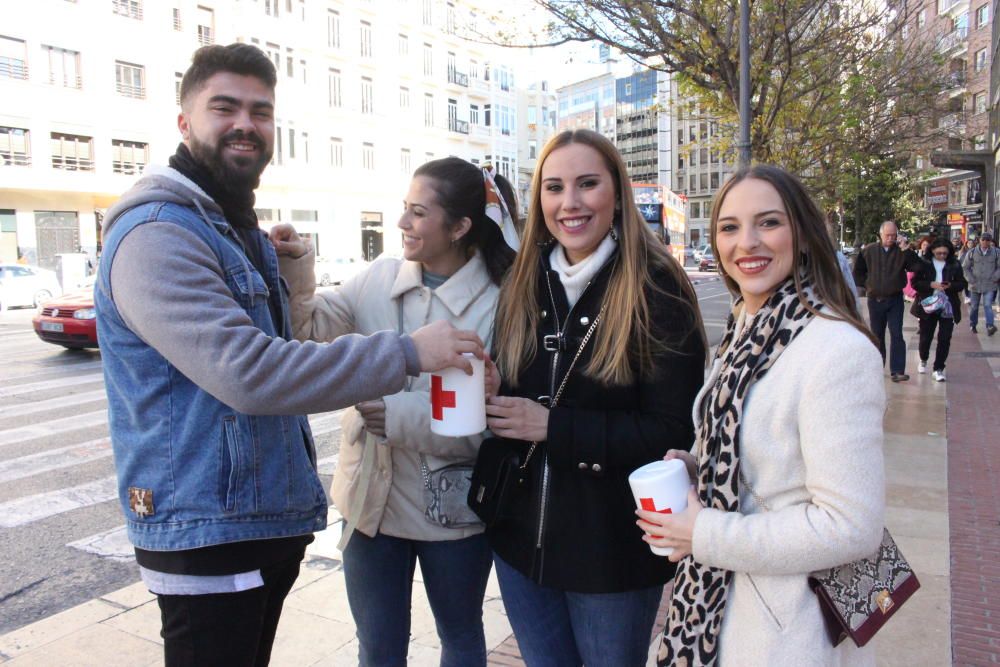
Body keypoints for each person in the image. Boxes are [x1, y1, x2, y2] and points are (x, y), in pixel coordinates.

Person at [93, 44, 483, 667]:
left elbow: (284, 345)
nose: (246, 123)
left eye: (261, 110)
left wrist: (287, 265)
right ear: (184, 120)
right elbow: (253, 371)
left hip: (260, 523)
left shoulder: (229, 226)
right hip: (207, 532)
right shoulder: (158, 233)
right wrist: (409, 353)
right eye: (225, 106)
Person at [270, 158, 516, 666]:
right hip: (370, 507)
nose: (402, 223)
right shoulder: (378, 279)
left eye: (418, 213)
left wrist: (398, 414)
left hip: (454, 515)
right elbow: (308, 331)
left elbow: (492, 421)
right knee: (378, 649)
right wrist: (297, 267)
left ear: (461, 226)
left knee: (462, 638)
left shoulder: (499, 303)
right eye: (404, 209)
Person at [641, 165, 885, 666]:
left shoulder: (835, 349)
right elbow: (760, 458)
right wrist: (699, 467)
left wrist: (703, 532)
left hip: (783, 630)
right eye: (729, 227)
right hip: (713, 603)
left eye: (768, 223)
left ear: (802, 233)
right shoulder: (747, 330)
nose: (746, 243)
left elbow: (851, 525)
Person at [484, 129, 707, 667]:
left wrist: (553, 427)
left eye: (588, 184)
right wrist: (492, 389)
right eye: (554, 187)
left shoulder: (657, 287)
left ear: (617, 191)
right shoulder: (524, 280)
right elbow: (516, 402)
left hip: (611, 556)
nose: (570, 203)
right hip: (520, 547)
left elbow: (671, 429)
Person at [853, 220, 924, 381]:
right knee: (877, 335)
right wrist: (869, 285)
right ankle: (877, 367)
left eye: (893, 235)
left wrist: (906, 249)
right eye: (887, 235)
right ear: (880, 234)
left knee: (896, 333)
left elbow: (918, 267)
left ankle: (897, 370)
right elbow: (858, 273)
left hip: (895, 299)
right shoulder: (868, 251)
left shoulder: (901, 252)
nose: (890, 238)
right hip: (875, 299)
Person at [911, 238, 967, 381]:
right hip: (928, 305)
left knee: (945, 337)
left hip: (947, 305)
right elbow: (915, 283)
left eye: (945, 253)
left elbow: (962, 283)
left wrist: (950, 286)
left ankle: (939, 368)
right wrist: (931, 284)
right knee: (926, 336)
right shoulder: (924, 262)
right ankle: (923, 358)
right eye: (939, 253)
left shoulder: (954, 264)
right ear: (932, 251)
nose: (942, 256)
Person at [962, 231, 1000, 336]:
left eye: (988, 240)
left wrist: (995, 277)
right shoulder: (972, 252)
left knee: (988, 305)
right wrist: (970, 279)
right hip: (975, 284)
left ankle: (990, 326)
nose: (985, 242)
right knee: (974, 306)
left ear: (990, 241)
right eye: (983, 239)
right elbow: (965, 267)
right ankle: (973, 324)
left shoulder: (996, 252)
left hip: (989, 284)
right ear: (979, 240)